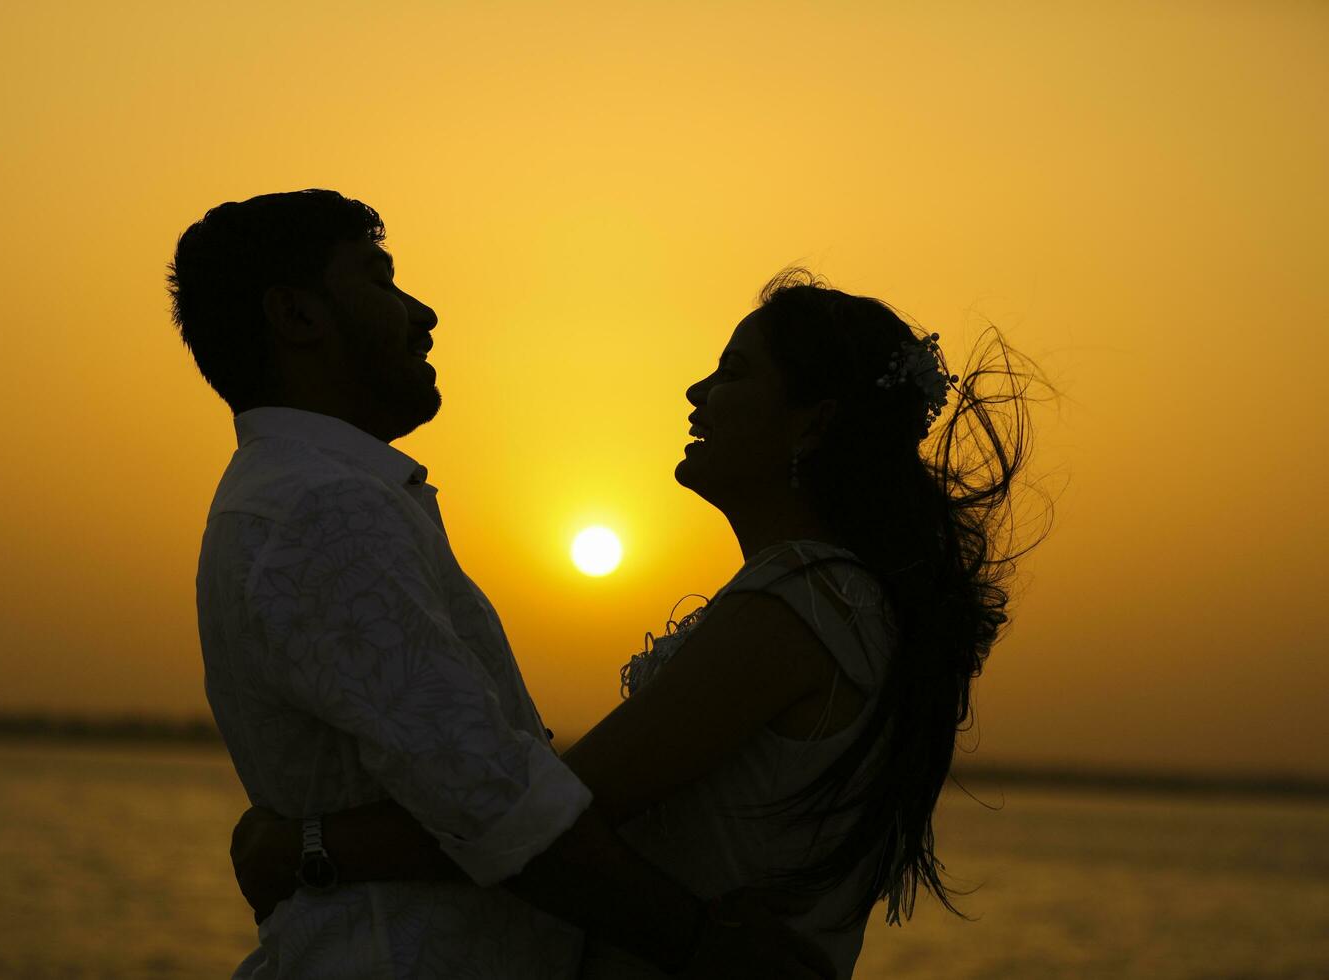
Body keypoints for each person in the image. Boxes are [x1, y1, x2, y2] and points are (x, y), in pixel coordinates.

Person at [229, 249, 1050, 977]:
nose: (697, 391)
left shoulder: (795, 606)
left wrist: (306, 847)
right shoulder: (845, 599)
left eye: (733, 371)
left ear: (814, 421)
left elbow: (547, 814)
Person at [171, 189, 838, 980]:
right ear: (298, 317)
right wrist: (708, 949)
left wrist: (303, 848)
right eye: (380, 280)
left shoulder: (311, 497)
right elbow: (496, 805)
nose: (423, 314)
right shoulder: (324, 508)